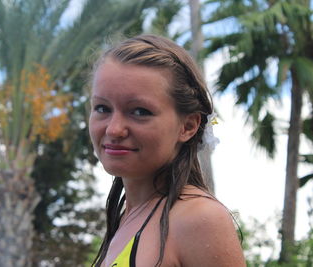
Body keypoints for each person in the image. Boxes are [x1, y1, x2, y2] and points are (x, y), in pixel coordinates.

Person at [89, 34, 246, 267]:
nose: (114, 129)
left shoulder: (198, 219)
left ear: (188, 126)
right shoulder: (127, 220)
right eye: (102, 108)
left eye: (140, 111)